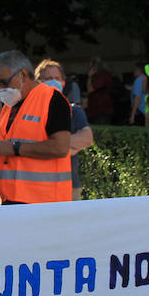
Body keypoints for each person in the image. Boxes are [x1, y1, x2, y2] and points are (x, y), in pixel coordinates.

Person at [0, 50, 72, 205]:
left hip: (45, 203)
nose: (1, 88)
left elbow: (60, 147)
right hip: (12, 199)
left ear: (22, 75)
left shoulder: (53, 99)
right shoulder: (9, 107)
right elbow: (13, 153)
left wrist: (13, 148)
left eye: (4, 82)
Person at [34, 59, 95, 200]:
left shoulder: (74, 111)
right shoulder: (31, 112)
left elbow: (87, 138)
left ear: (63, 82)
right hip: (38, 187)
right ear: (38, 82)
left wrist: (53, 146)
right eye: (48, 78)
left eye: (57, 78)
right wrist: (68, 148)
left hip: (70, 187)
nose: (53, 82)